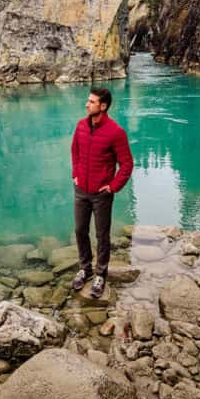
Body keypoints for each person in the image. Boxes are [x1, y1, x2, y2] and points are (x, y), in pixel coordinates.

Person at [70, 86, 133, 298]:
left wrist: (113, 187)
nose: (86, 104)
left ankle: (100, 274)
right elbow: (75, 151)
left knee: (102, 234)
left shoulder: (116, 132)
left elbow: (127, 165)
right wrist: (75, 174)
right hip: (81, 190)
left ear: (103, 106)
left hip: (101, 194)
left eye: (91, 102)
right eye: (88, 101)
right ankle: (85, 268)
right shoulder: (80, 126)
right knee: (80, 230)